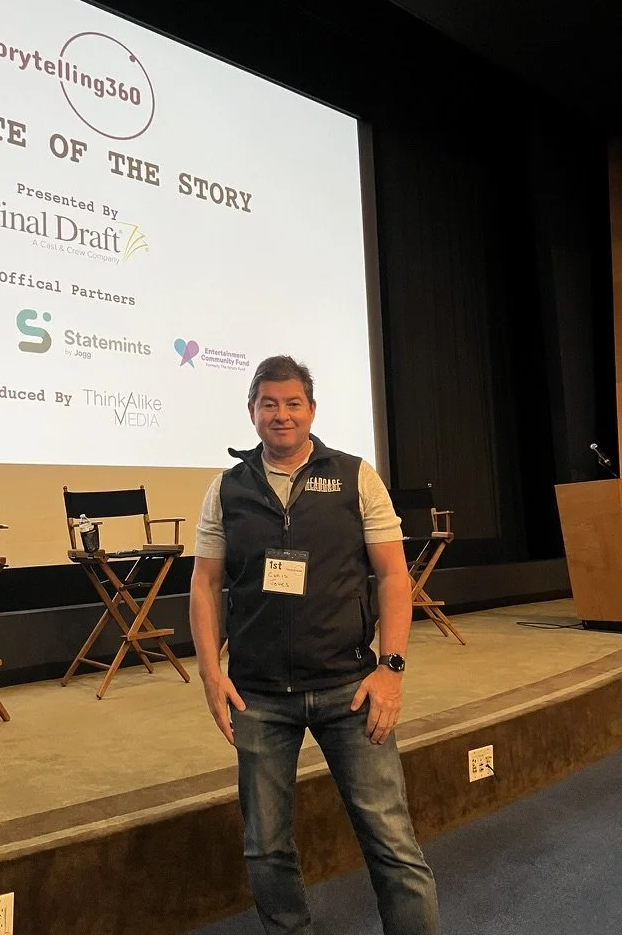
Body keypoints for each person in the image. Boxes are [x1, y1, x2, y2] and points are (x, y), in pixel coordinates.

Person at [189, 355, 439, 935]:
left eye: (292, 403)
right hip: (258, 698)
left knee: (392, 843)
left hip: (351, 691)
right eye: (269, 404)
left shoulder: (354, 476)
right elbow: (205, 582)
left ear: (312, 410)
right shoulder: (227, 489)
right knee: (266, 849)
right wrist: (209, 670)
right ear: (252, 412)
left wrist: (392, 669)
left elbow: (395, 576)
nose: (281, 415)